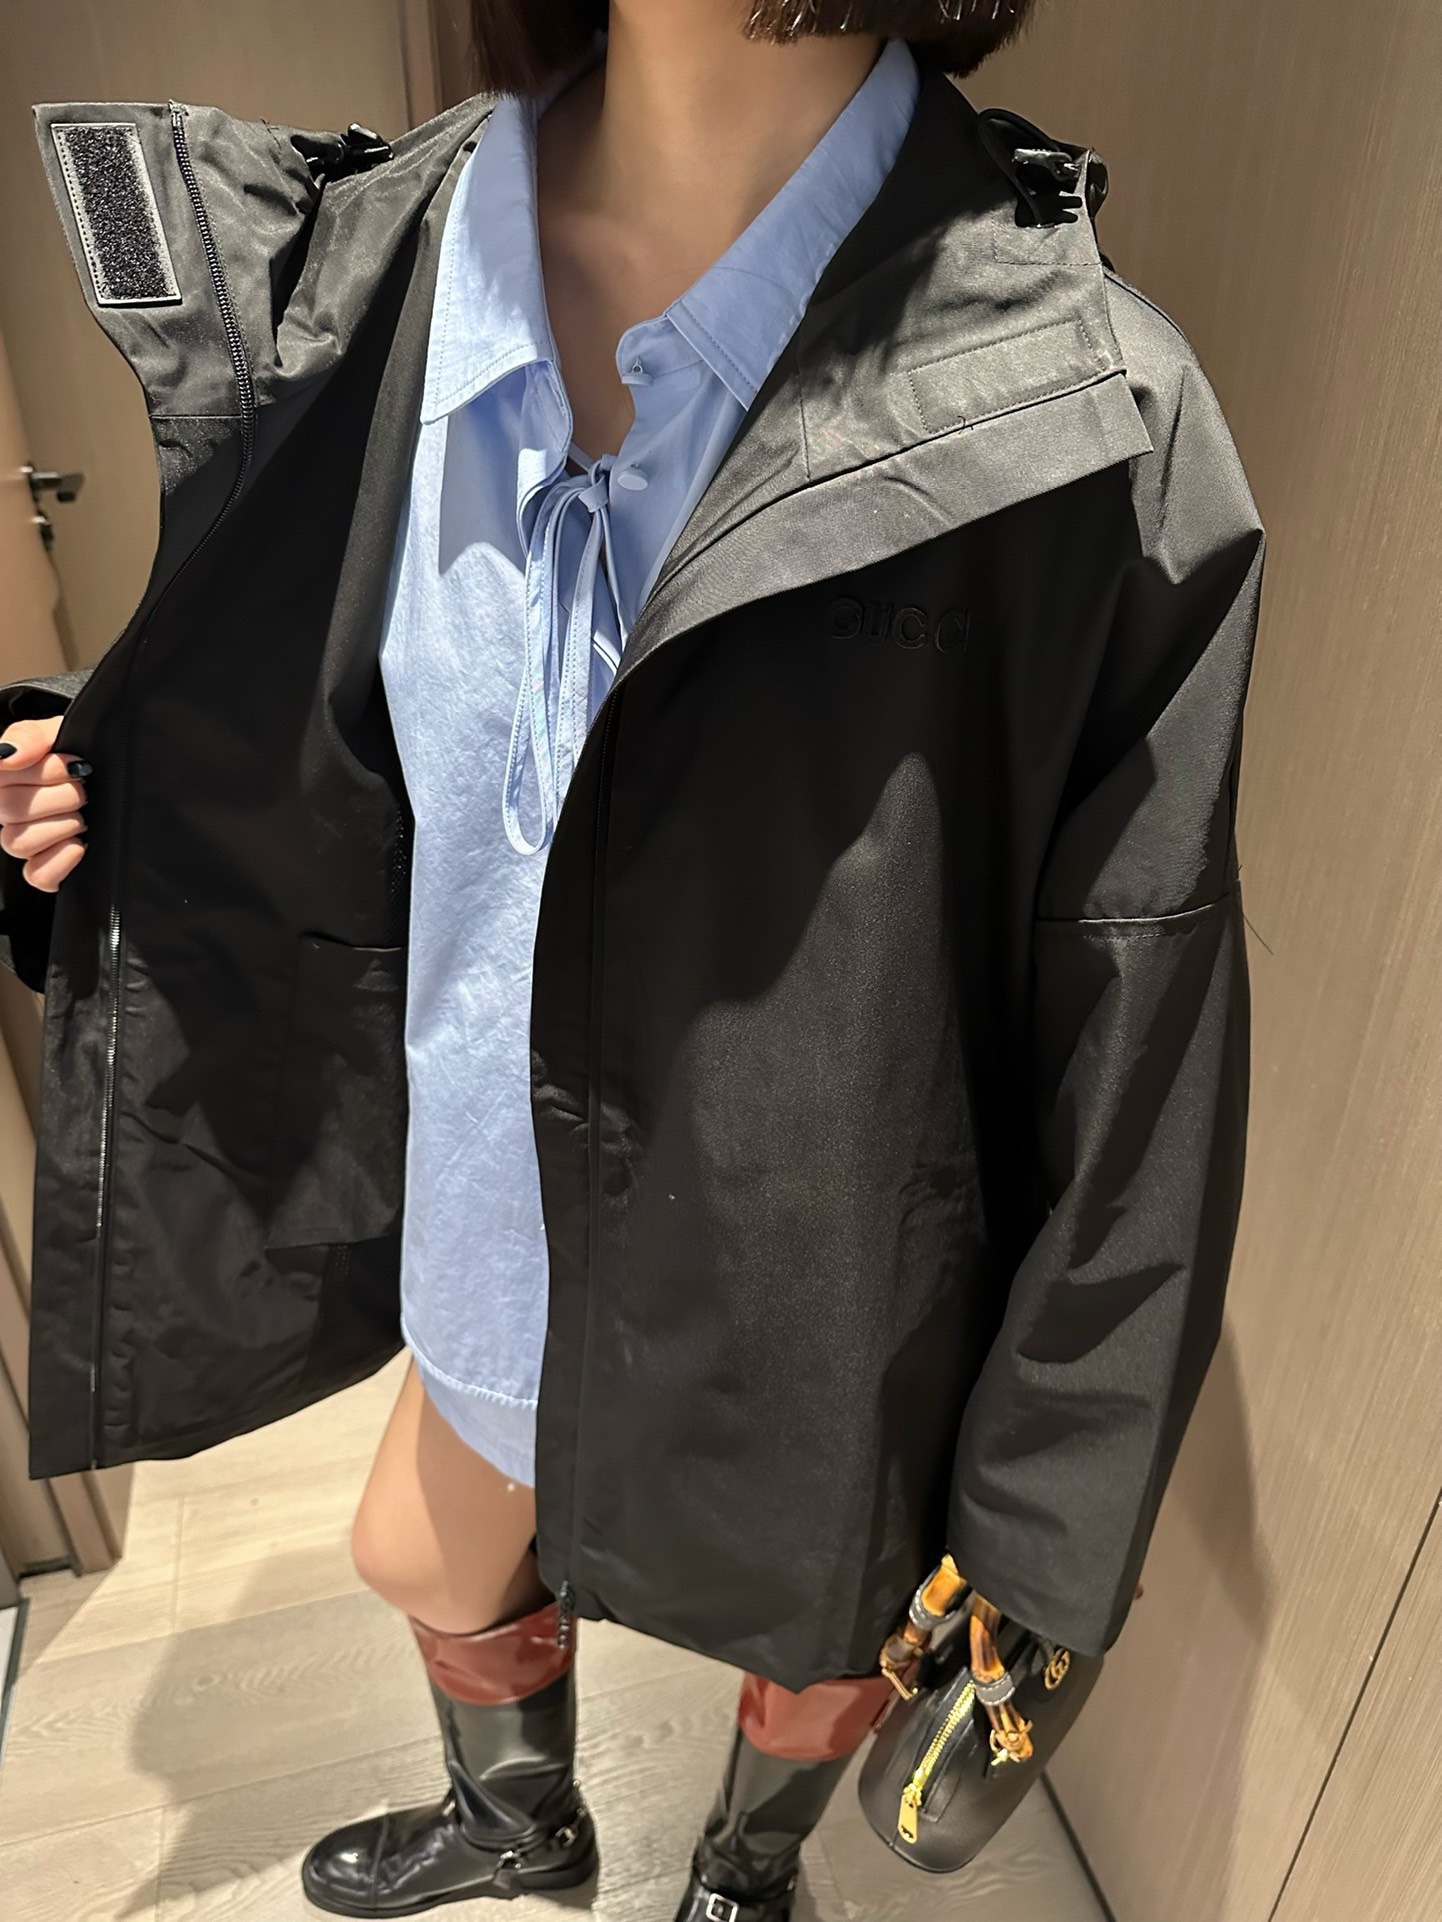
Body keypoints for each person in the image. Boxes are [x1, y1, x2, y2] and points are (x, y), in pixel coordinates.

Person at [0, 1, 1264, 1917]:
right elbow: (356, 726)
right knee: (419, 1550)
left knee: (811, 1650)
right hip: (491, 1208)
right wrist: (106, 786)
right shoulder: (359, 288)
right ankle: (524, 1819)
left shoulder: (1088, 422)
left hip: (820, 1283)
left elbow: (1142, 1027)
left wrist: (1042, 1527)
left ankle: (743, 1874)